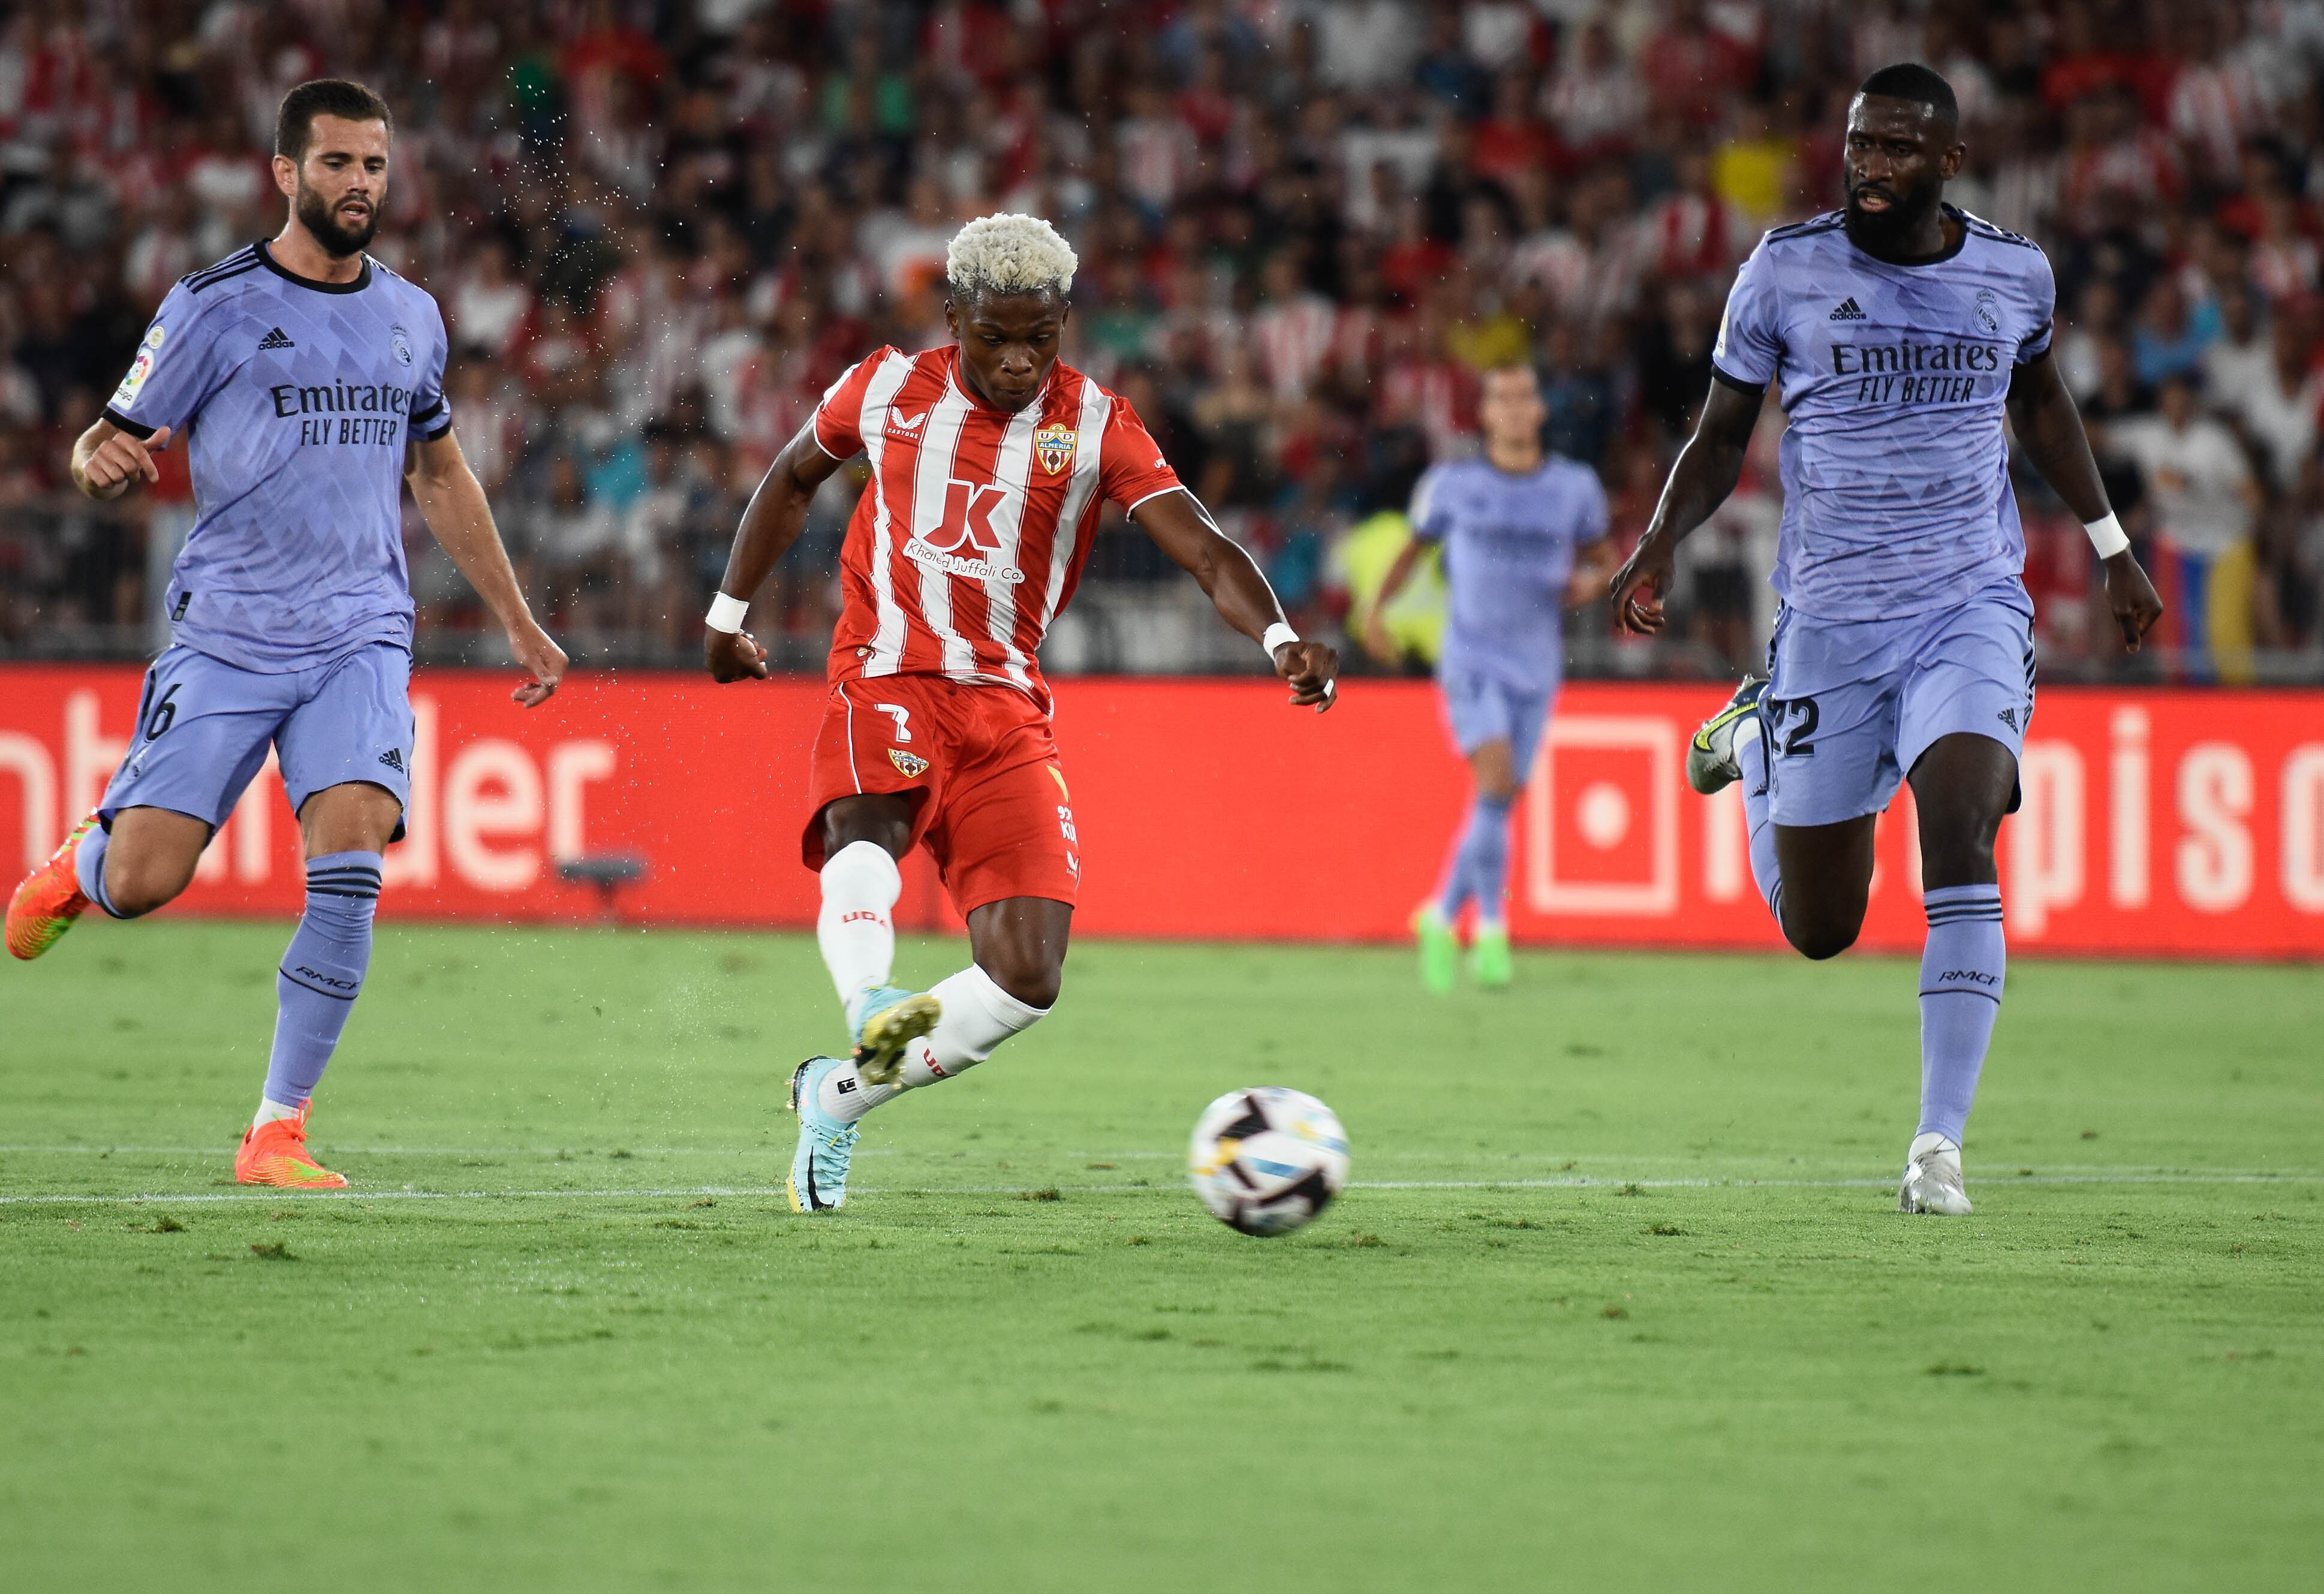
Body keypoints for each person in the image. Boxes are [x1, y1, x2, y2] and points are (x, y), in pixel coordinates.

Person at [1609, 64, 2163, 1216]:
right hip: (1828, 622)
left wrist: (2111, 545)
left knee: (1960, 830)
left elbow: (2044, 402)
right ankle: (1760, 732)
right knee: (1823, 928)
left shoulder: (2013, 273)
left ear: (1948, 162)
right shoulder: (1785, 271)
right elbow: (1720, 436)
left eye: (1899, 149)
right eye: (1860, 145)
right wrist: (1659, 540)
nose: (1870, 166)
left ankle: (1936, 1148)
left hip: (1968, 602)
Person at [703, 213, 1339, 1213]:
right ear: (952, 316)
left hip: (1005, 705)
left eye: (1037, 339)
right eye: (992, 336)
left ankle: (837, 1094)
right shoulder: (882, 386)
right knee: (863, 821)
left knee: (1026, 973)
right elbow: (792, 477)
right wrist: (727, 612)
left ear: (1063, 323)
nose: (1014, 359)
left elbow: (1205, 545)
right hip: (890, 669)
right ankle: (872, 1003)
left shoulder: (1094, 424)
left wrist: (1278, 637)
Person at [3, 80, 566, 1188]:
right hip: (227, 634)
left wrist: (516, 616)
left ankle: (277, 1127)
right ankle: (88, 866)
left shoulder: (411, 315)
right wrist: (95, 464)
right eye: (337, 164)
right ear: (285, 173)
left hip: (361, 630)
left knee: (351, 850)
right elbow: (102, 442)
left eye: (374, 165)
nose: (360, 183)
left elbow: (439, 470)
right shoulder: (209, 306)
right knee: (153, 876)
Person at [1366, 363, 1613, 992]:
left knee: (1497, 799)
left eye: (1524, 396)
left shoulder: (1574, 489)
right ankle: (1494, 930)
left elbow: (1604, 562)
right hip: (1472, 658)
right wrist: (1376, 611)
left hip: (1537, 663)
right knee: (1497, 779)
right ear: (1485, 415)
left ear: (1539, 411)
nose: (1512, 408)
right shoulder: (1453, 485)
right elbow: (1412, 551)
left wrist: (1591, 587)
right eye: (1501, 398)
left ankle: (1442, 912)